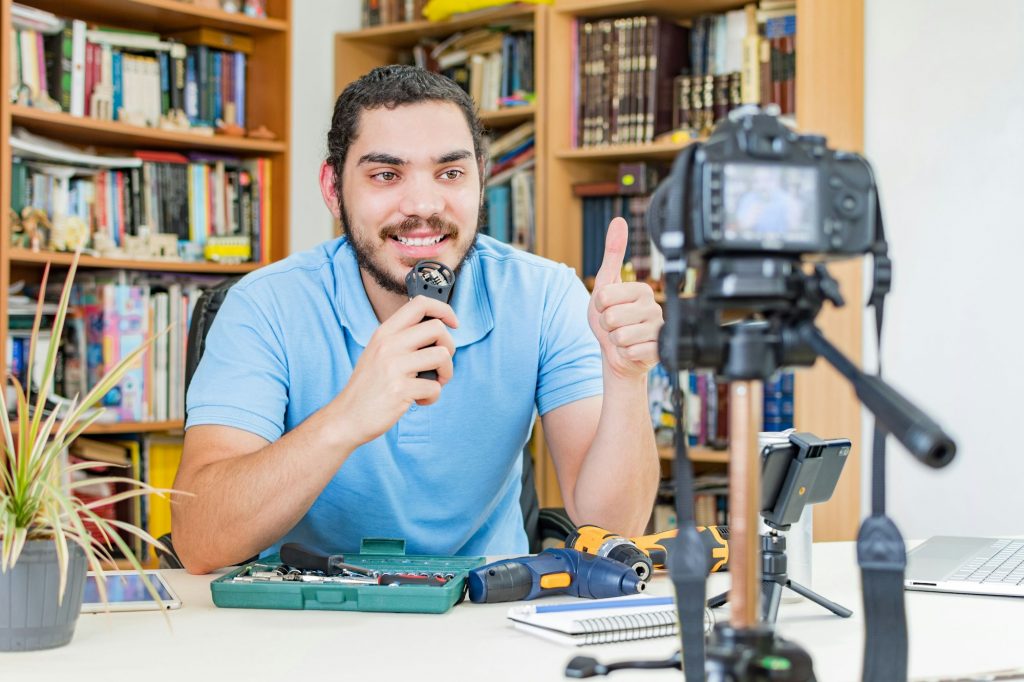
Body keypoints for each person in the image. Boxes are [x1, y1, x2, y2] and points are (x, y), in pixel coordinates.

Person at [172, 65, 663, 574]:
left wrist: (627, 379)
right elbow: (199, 542)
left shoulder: (545, 295)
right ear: (333, 187)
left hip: (488, 609)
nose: (424, 205)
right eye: (386, 175)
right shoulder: (264, 304)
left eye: (451, 173)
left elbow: (613, 530)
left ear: (480, 181)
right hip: (313, 615)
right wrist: (348, 416)